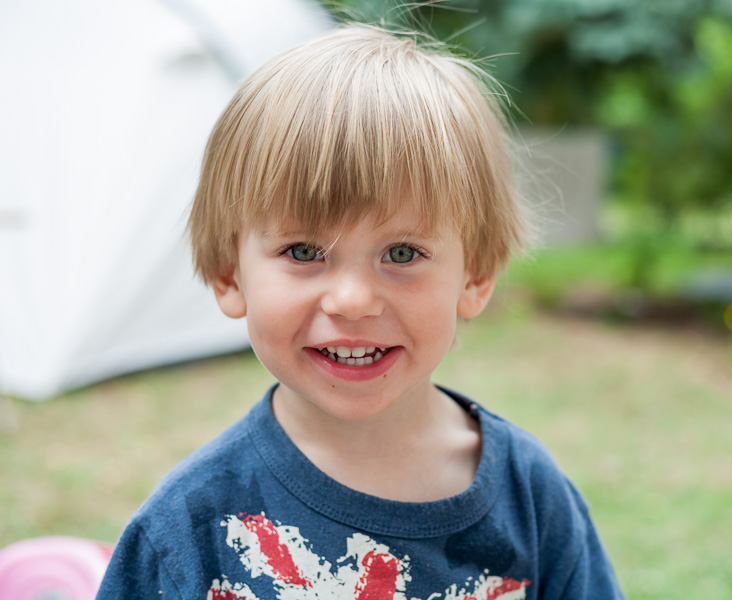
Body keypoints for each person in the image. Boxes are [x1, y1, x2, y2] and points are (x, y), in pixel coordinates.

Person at [96, 24, 625, 600]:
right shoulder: (188, 530)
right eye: (302, 252)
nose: (352, 300)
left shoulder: (530, 496)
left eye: (402, 253)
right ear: (230, 275)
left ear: (474, 278)